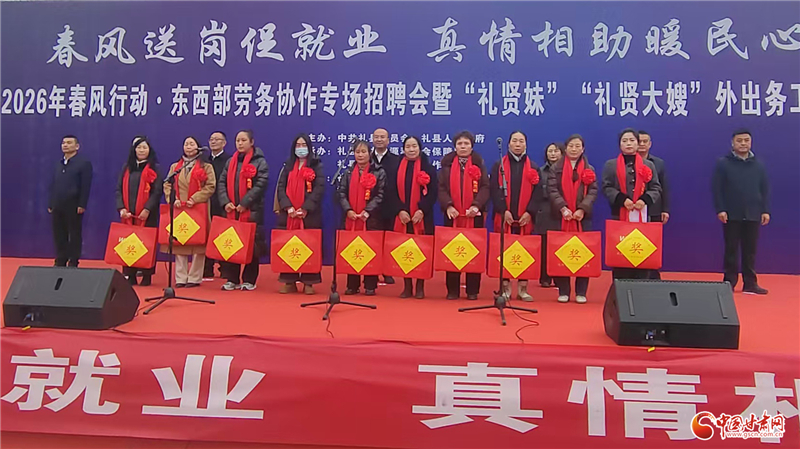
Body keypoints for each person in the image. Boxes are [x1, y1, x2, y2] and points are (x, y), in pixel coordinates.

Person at [712, 129, 770, 295]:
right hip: (731, 213)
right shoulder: (723, 163)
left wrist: (765, 210)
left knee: (750, 250)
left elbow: (764, 189)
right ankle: (729, 282)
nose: (743, 143)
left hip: (753, 212)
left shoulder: (758, 164)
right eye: (739, 140)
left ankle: (750, 283)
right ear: (733, 143)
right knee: (731, 249)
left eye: (746, 140)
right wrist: (720, 209)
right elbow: (717, 189)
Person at [489, 131, 543, 302]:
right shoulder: (499, 166)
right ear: (509, 144)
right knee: (505, 250)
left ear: (526, 144)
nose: (518, 144)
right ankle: (505, 288)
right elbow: (494, 190)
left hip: (525, 216)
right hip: (504, 215)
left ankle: (522, 288)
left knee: (524, 251)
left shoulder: (533, 167)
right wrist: (503, 210)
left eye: (521, 141)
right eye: (515, 141)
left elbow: (538, 193)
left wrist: (530, 212)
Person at [602, 128, 662, 280]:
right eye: (624, 141)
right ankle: (620, 287)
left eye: (632, 140)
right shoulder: (611, 165)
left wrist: (644, 200)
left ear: (637, 143)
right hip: (620, 215)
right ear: (620, 145)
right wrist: (622, 200)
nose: (628, 144)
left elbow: (656, 188)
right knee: (621, 254)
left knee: (641, 254)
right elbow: (606, 187)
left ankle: (641, 287)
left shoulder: (648, 164)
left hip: (643, 215)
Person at [546, 134, 599, 304]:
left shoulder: (589, 168)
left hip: (583, 218)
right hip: (560, 217)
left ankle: (581, 291)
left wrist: (582, 209)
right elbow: (552, 190)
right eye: (571, 146)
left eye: (577, 146)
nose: (574, 149)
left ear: (583, 149)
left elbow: (593, 191)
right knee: (561, 251)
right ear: (566, 148)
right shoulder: (556, 168)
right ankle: (563, 290)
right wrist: (563, 208)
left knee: (583, 252)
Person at [438, 131, 490, 300]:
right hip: (452, 215)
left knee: (473, 250)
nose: (463, 147)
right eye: (460, 144)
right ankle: (452, 290)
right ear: (455, 147)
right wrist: (448, 206)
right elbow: (441, 188)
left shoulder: (479, 164)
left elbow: (485, 187)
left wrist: (476, 205)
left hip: (473, 215)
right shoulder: (446, 166)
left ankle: (472, 290)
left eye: (466, 144)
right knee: (452, 251)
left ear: (472, 147)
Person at [218, 130, 269, 291]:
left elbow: (261, 184)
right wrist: (226, 202)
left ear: (251, 142)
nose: (240, 143)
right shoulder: (230, 161)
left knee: (252, 246)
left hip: (251, 211)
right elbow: (221, 183)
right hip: (231, 211)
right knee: (231, 244)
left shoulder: (259, 162)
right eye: (237, 140)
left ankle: (249, 279)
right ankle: (231, 279)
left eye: (243, 140)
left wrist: (245, 203)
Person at [162, 136, 216, 288]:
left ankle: (194, 277)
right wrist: (173, 199)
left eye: (192, 144)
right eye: (186, 144)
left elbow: (211, 186)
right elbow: (167, 184)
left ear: (198, 147)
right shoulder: (175, 167)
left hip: (198, 207)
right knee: (180, 241)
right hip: (180, 207)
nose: (188, 146)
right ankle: (180, 278)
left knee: (199, 244)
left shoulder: (206, 166)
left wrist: (195, 198)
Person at [388, 136, 438, 299]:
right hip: (403, 217)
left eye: (414, 146)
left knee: (421, 249)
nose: (411, 149)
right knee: (405, 250)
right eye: (408, 146)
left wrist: (421, 210)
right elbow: (391, 191)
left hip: (422, 217)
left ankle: (420, 285)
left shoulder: (428, 167)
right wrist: (400, 210)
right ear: (403, 149)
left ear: (420, 148)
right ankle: (407, 286)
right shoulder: (396, 167)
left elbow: (433, 193)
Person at [276, 133, 325, 294]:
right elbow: (281, 188)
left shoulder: (316, 165)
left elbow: (319, 188)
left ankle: (309, 282)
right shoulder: (288, 165)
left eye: (304, 145)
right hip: (289, 214)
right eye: (298, 145)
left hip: (309, 214)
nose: (301, 148)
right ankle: (289, 280)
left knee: (309, 246)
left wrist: (305, 208)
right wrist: (288, 207)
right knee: (289, 246)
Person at [337, 140, 386, 296]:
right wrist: (348, 210)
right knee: (353, 249)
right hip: (351, 218)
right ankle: (352, 285)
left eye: (363, 152)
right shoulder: (348, 172)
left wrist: (368, 210)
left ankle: (370, 284)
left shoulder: (379, 172)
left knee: (370, 249)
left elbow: (381, 194)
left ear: (370, 153)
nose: (360, 155)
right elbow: (341, 193)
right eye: (357, 152)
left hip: (371, 218)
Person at [115, 136, 162, 286]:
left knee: (146, 243)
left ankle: (147, 276)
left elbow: (157, 192)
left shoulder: (154, 168)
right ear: (134, 150)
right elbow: (118, 189)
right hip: (128, 214)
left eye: (144, 147)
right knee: (128, 243)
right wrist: (121, 208)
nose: (142, 150)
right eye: (139, 147)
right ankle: (130, 274)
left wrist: (147, 209)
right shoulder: (127, 167)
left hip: (147, 214)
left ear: (149, 150)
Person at [48, 135, 93, 267]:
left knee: (74, 233)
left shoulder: (83, 163)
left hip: (73, 204)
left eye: (69, 143)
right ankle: (61, 259)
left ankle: (73, 260)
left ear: (77, 146)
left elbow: (85, 185)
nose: (65, 145)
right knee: (59, 233)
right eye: (63, 143)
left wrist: (82, 204)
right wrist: (51, 203)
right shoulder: (59, 164)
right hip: (58, 204)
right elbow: (53, 184)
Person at [638, 130, 670, 280]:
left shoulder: (658, 163)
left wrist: (665, 209)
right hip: (633, 210)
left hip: (654, 209)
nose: (642, 144)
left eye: (645, 141)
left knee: (652, 244)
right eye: (639, 141)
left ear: (650, 144)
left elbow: (664, 187)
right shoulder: (626, 163)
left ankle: (652, 276)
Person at [371, 127, 399, 285]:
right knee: (372, 241)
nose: (379, 139)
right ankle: (372, 272)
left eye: (382, 137)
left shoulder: (396, 160)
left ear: (388, 140)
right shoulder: (366, 158)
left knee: (388, 240)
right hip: (370, 208)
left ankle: (387, 271)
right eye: (376, 137)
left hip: (389, 206)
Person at [535, 142, 564, 288]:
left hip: (562, 211)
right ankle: (544, 278)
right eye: (550, 151)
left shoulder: (566, 170)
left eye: (556, 151)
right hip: (545, 211)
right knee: (545, 247)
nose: (553, 154)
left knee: (559, 247)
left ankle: (560, 279)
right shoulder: (540, 171)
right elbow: (540, 191)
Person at [203, 131, 232, 280]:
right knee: (205, 235)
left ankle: (224, 268)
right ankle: (206, 268)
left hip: (222, 203)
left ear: (224, 143)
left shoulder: (229, 161)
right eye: (211, 139)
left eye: (217, 139)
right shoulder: (204, 160)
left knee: (223, 236)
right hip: (206, 203)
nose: (213, 142)